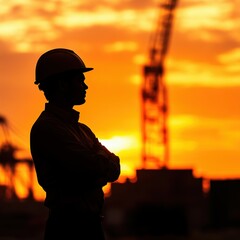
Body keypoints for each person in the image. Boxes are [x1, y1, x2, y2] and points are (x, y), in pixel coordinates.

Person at [30, 48, 121, 240]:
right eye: (80, 80)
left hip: (91, 226)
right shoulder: (48, 129)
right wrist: (98, 169)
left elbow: (114, 168)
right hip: (68, 229)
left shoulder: (82, 131)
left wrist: (97, 171)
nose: (85, 86)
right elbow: (91, 167)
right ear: (62, 84)